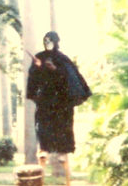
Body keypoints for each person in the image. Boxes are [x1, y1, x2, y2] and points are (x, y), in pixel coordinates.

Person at [26, 31, 91, 169]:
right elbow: (33, 78)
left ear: (56, 42)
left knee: (63, 125)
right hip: (45, 99)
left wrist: (54, 69)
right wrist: (37, 68)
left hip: (61, 100)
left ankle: (63, 151)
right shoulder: (39, 57)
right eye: (45, 41)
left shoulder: (63, 59)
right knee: (43, 124)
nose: (47, 44)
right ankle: (44, 149)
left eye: (50, 41)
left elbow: (70, 77)